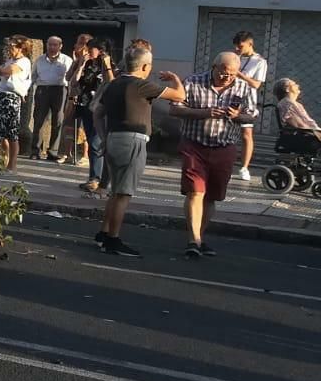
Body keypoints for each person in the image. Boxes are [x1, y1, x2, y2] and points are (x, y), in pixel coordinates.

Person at [94, 44, 185, 256]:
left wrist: (103, 136)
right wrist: (174, 78)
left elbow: (98, 112)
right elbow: (179, 95)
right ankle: (113, 240)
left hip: (114, 138)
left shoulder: (113, 85)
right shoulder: (141, 85)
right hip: (133, 139)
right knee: (124, 193)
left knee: (115, 191)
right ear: (144, 66)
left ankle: (104, 233)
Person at [172, 51, 256, 259]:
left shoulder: (243, 87)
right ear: (214, 67)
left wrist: (238, 116)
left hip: (224, 146)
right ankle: (193, 240)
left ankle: (201, 236)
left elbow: (252, 115)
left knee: (211, 196)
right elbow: (175, 108)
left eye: (232, 74)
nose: (226, 78)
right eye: (223, 72)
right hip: (195, 144)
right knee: (195, 192)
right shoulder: (193, 82)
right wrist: (204, 113)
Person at [0, 36, 33, 170]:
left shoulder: (24, 62)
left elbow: (4, 71)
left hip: (11, 98)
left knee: (12, 132)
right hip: (1, 95)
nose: (9, 48)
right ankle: (4, 161)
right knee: (1, 132)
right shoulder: (10, 60)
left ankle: (12, 165)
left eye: (12, 46)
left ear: (21, 48)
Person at [70, 40, 115, 192]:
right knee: (91, 141)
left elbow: (111, 83)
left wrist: (106, 66)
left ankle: (97, 179)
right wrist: (81, 64)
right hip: (85, 105)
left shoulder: (110, 67)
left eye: (91, 49)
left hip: (100, 109)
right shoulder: (88, 65)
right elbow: (73, 83)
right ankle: (93, 177)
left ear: (101, 51)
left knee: (96, 144)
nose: (88, 51)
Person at [28, 36, 73, 161]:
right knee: (39, 120)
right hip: (42, 89)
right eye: (50, 45)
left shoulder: (66, 60)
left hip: (60, 89)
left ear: (60, 46)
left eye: (55, 45)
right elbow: (33, 76)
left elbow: (70, 77)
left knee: (58, 120)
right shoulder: (39, 59)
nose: (52, 47)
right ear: (47, 45)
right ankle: (35, 150)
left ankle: (53, 151)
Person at [231, 31, 267, 182]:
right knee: (226, 132)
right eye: (236, 47)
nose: (237, 50)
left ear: (250, 44)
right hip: (231, 97)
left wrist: (240, 75)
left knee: (246, 133)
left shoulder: (259, 61)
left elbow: (256, 84)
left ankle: (244, 167)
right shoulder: (234, 57)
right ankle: (226, 164)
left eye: (240, 47)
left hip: (247, 100)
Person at [273, 78, 321, 148]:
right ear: (287, 89)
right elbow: (299, 125)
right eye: (294, 84)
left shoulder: (291, 103)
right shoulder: (288, 104)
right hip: (307, 136)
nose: (297, 85)